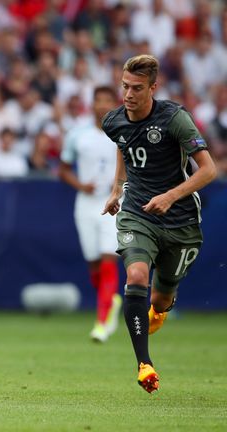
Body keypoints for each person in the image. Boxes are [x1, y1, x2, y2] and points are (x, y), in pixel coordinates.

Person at [101, 54, 217, 393]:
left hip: (180, 222)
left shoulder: (175, 119)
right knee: (136, 274)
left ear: (154, 87)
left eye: (137, 88)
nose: (128, 94)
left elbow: (209, 170)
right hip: (137, 212)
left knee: (161, 299)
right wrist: (116, 188)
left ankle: (159, 308)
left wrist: (170, 196)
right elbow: (123, 144)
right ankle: (144, 364)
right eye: (124, 86)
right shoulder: (113, 120)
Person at [58, 86, 123, 343]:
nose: (103, 105)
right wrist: (81, 185)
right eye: (98, 101)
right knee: (94, 265)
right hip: (86, 204)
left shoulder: (123, 131)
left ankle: (101, 322)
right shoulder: (78, 134)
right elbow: (63, 169)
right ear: (92, 104)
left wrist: (119, 186)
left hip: (115, 203)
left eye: (108, 100)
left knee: (109, 259)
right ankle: (111, 302)